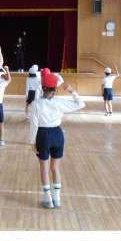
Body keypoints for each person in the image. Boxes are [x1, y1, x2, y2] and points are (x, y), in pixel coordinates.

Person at [29, 73, 85, 209]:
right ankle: (57, 199)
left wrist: (32, 142)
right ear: (55, 89)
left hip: (43, 135)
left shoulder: (36, 104)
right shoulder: (59, 102)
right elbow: (81, 104)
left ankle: (48, 199)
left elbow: (34, 125)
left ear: (43, 87)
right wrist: (72, 91)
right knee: (55, 168)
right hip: (58, 134)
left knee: (44, 168)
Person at [0, 65, 11, 146]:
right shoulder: (2, 82)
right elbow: (9, 79)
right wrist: (7, 70)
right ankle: (1, 140)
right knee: (0, 122)